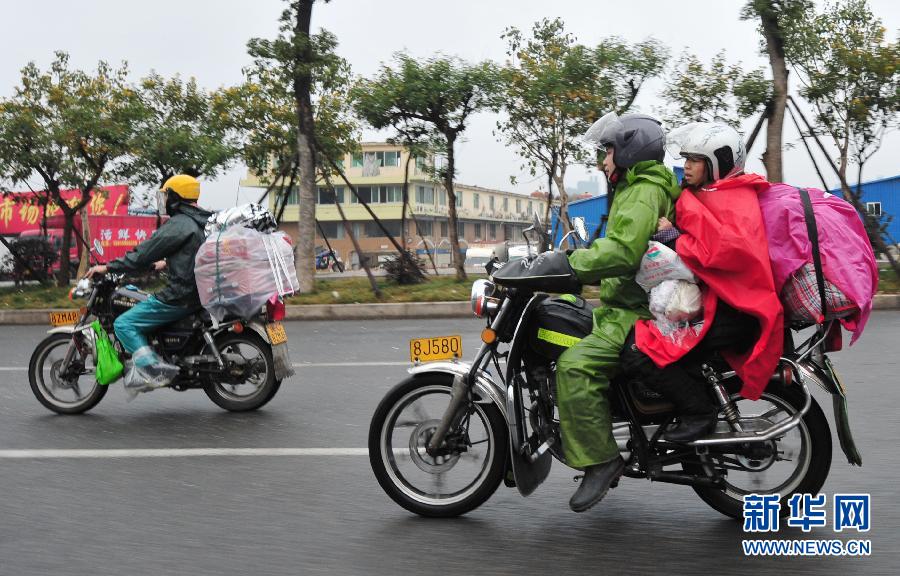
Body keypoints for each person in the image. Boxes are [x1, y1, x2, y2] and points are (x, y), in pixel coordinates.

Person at [622, 122, 784, 442]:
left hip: (736, 311)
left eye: (695, 160)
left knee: (641, 352)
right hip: (715, 303)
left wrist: (673, 237)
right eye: (686, 159)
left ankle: (699, 412)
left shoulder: (735, 198)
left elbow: (726, 250)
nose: (687, 166)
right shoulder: (707, 194)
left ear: (718, 162)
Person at [558, 112, 681, 512]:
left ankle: (601, 459)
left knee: (574, 366)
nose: (603, 161)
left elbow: (625, 250)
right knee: (564, 321)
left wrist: (571, 264)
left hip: (633, 311)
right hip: (622, 305)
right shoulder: (638, 187)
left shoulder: (642, 191)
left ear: (629, 150)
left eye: (608, 151)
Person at [87, 174, 212, 388]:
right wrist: (166, 263)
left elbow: (142, 254)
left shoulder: (180, 224)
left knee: (124, 323)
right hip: (198, 290)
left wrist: (108, 267)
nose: (165, 201)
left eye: (167, 196)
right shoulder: (202, 220)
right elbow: (194, 253)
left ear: (175, 197)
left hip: (181, 294)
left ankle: (154, 371)